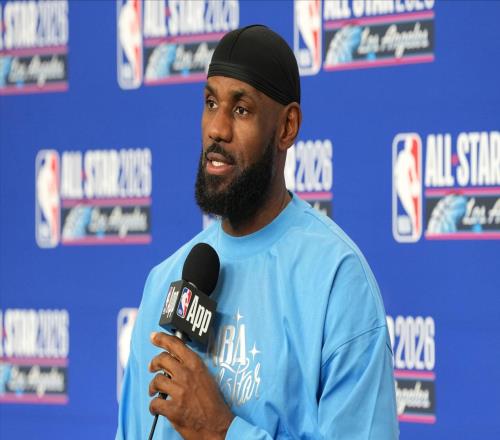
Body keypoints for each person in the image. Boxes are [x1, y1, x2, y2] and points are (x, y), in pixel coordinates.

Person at [116, 25, 399, 439]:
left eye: (241, 109)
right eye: (210, 103)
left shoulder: (337, 280)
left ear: (287, 127)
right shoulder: (166, 281)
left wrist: (220, 430)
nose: (217, 128)